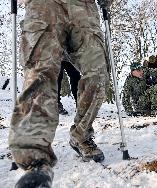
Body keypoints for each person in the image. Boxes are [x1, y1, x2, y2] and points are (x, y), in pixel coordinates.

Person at [9, 0, 111, 187]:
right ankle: (36, 162)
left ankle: (81, 135)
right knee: (40, 72)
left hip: (84, 7)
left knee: (98, 75)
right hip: (44, 5)